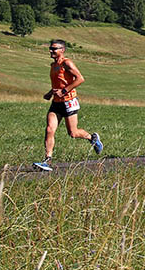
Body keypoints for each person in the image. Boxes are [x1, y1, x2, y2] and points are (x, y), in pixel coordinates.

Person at [34, 40, 102, 172]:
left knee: (73, 133)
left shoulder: (67, 63)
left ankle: (91, 137)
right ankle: (47, 160)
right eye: (50, 48)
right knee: (49, 129)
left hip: (69, 101)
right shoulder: (53, 65)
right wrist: (49, 93)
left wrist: (64, 91)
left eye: (54, 49)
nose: (51, 51)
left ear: (62, 50)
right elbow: (58, 84)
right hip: (56, 103)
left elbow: (80, 79)